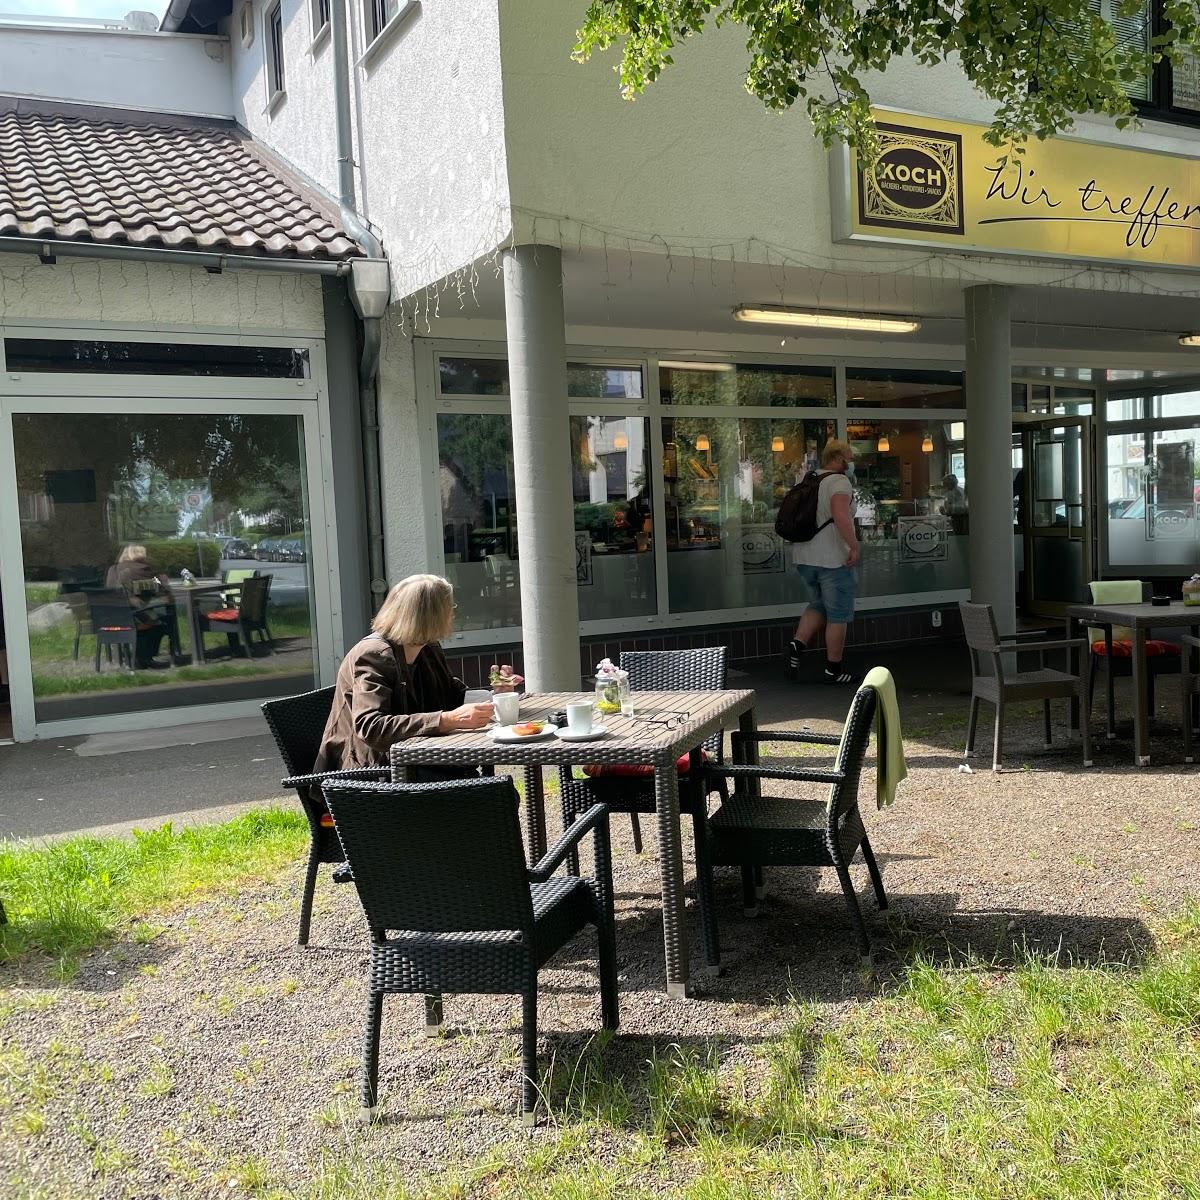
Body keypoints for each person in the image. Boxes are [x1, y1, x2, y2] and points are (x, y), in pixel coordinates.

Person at [313, 573, 495, 774]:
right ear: (430, 616)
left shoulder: (428, 648)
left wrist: (495, 693)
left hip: (416, 760)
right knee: (491, 792)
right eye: (448, 609)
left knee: (488, 788)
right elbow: (371, 727)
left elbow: (450, 695)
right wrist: (445, 720)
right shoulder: (374, 655)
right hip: (374, 772)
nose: (452, 615)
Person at [786, 439, 860, 684]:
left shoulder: (808, 479)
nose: (851, 464)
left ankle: (798, 644)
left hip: (804, 557)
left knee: (818, 603)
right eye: (849, 459)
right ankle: (834, 669)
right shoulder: (839, 481)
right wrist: (854, 545)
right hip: (832, 558)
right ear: (838, 459)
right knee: (838, 613)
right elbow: (840, 515)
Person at [105, 544, 174, 669]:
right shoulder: (144, 569)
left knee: (149, 617)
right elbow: (161, 589)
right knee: (164, 622)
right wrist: (163, 583)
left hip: (110, 618)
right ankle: (144, 658)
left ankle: (131, 657)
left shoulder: (112, 570)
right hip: (134, 617)